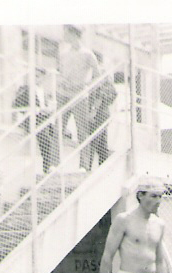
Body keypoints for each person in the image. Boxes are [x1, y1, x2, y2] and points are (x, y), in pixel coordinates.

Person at [57, 24, 100, 172]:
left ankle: (84, 165)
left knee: (82, 131)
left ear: (73, 34)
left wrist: (86, 85)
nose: (63, 36)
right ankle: (54, 164)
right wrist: (61, 82)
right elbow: (60, 72)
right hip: (63, 93)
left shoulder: (88, 54)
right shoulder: (63, 54)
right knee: (58, 129)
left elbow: (97, 76)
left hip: (79, 95)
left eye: (66, 33)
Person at [12, 68, 59, 174]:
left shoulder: (43, 90)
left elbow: (46, 105)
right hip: (32, 119)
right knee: (46, 140)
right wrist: (33, 109)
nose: (36, 79)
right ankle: (48, 167)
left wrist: (49, 109)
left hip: (44, 118)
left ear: (43, 78)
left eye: (39, 77)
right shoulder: (26, 89)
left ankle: (50, 166)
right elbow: (16, 103)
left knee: (52, 138)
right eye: (34, 76)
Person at [88, 74, 117, 169]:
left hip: (98, 113)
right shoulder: (108, 83)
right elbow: (113, 96)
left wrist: (93, 112)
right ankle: (104, 165)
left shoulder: (99, 80)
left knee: (93, 140)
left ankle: (88, 166)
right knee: (102, 141)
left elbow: (98, 99)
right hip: (104, 113)